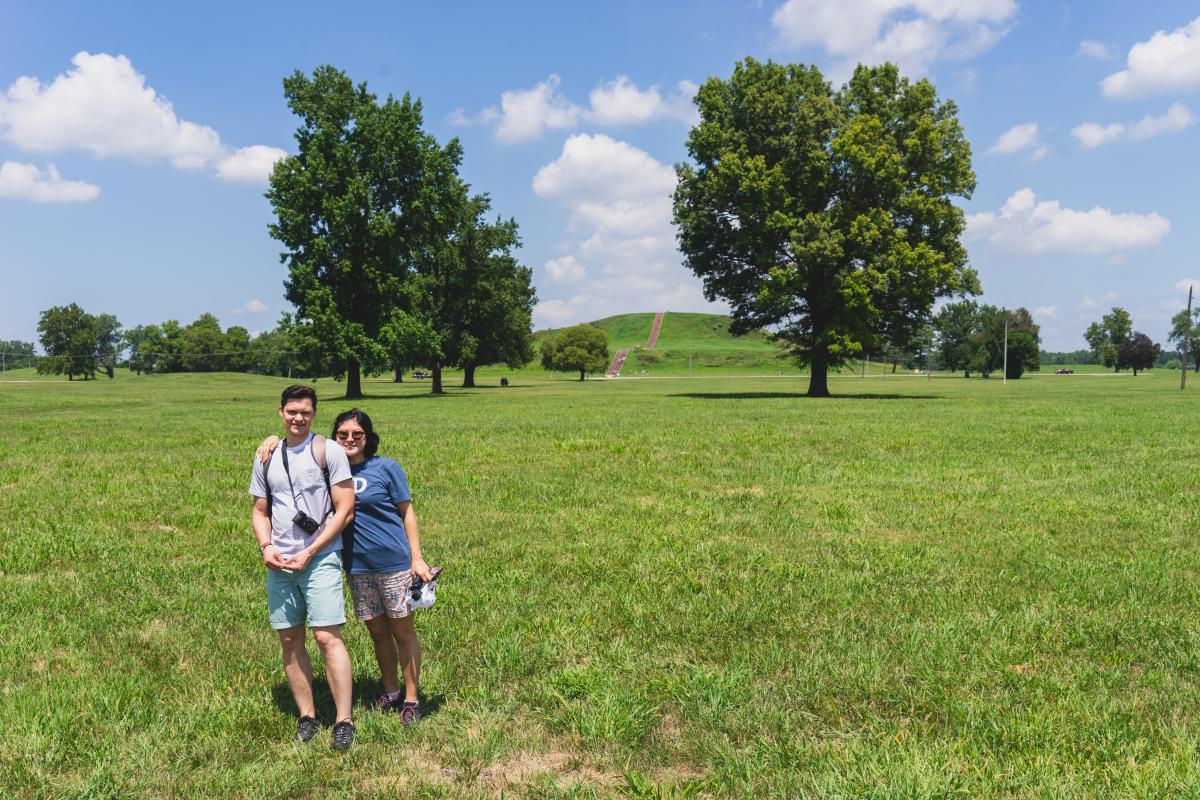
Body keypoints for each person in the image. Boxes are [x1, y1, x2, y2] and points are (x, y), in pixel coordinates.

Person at [259, 408, 434, 725]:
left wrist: (416, 558)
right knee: (378, 633)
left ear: (368, 437)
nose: (350, 439)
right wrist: (272, 439)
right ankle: (391, 690)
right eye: (342, 434)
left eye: (357, 434)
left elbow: (407, 512)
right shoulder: (326, 469)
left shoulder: (386, 468)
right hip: (356, 567)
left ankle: (411, 699)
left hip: (394, 563)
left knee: (403, 632)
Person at [249, 385, 357, 749]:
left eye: (306, 412)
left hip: (321, 557)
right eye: (292, 411)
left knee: (327, 637)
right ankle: (307, 716)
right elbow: (260, 511)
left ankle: (344, 720)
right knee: (289, 638)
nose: (298, 418)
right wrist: (266, 546)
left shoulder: (329, 451)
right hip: (279, 561)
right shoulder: (266, 455)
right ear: (281, 412)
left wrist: (311, 551)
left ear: (314, 414)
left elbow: (345, 508)